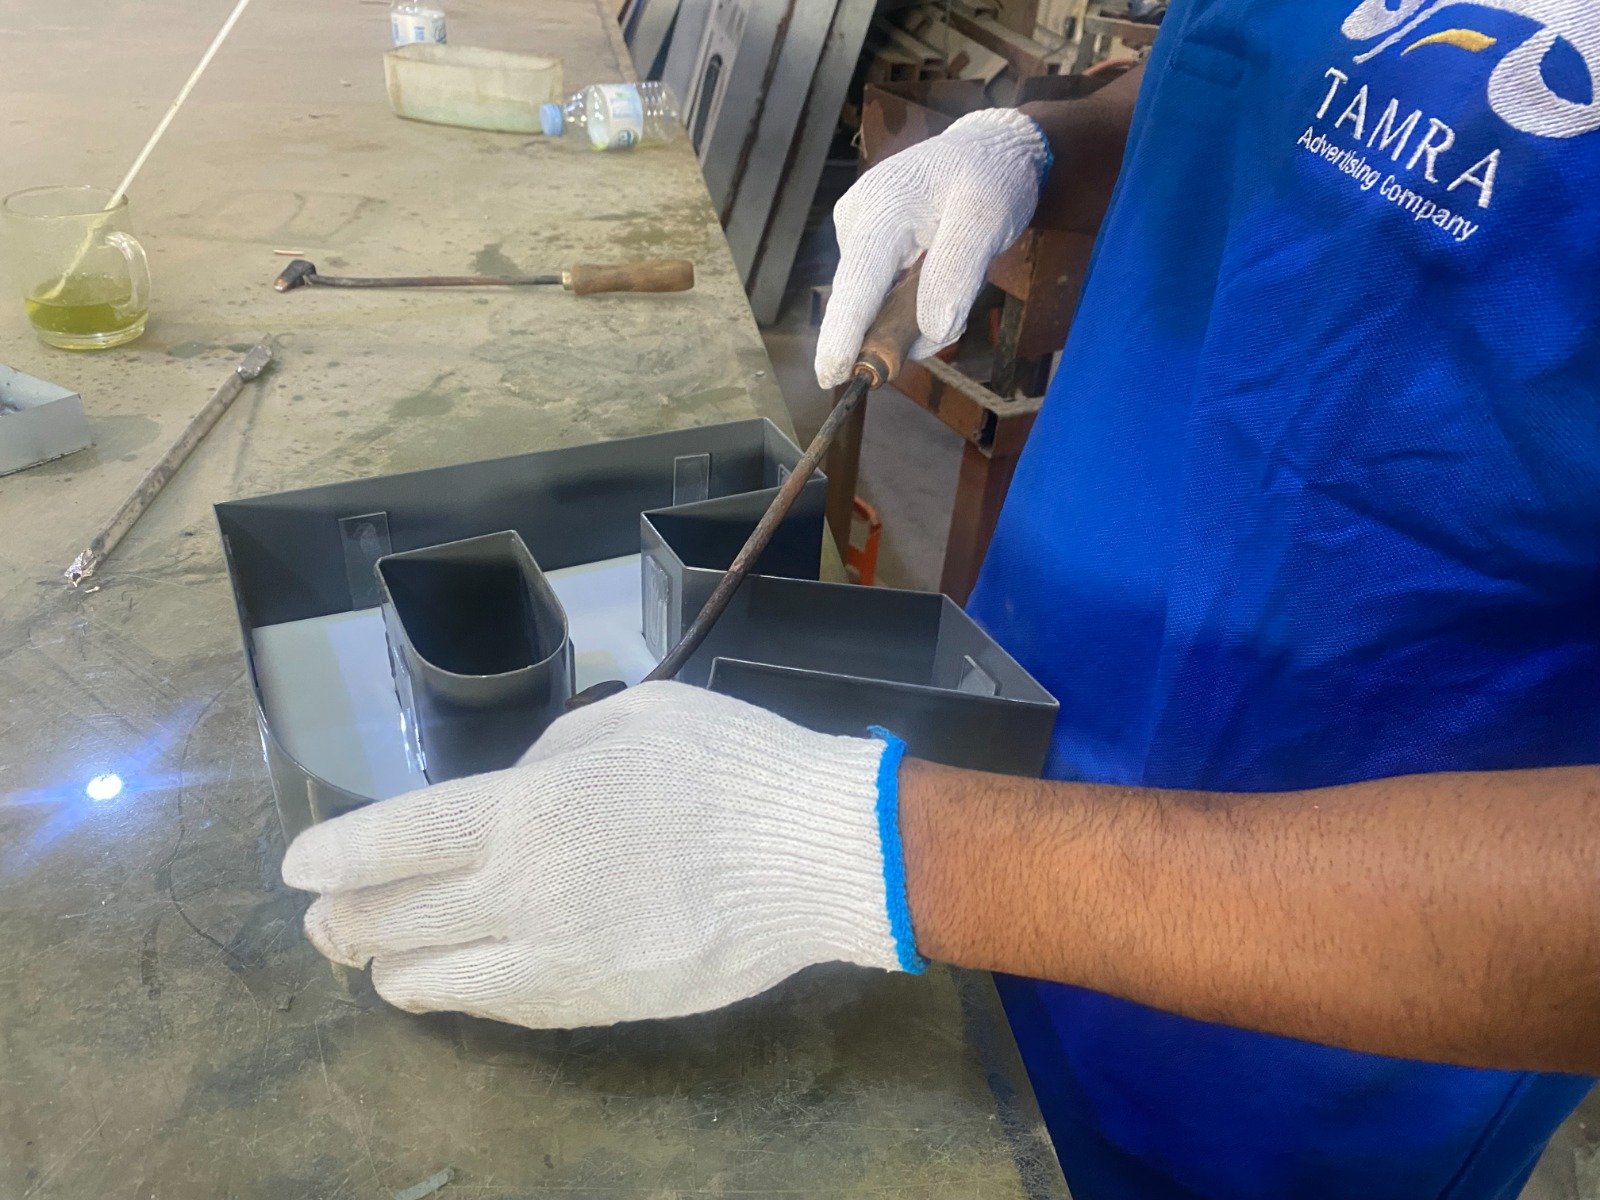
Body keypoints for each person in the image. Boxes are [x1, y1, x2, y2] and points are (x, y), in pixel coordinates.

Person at [282, 3, 1600, 1198]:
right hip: (993, 742)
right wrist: (1034, 147)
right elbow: (1257, 73)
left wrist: (866, 855)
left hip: (1306, 1015)